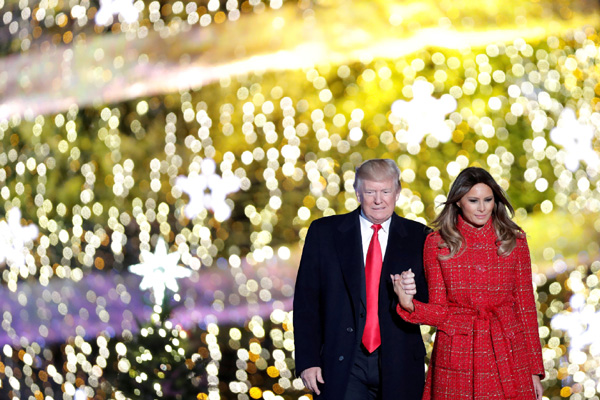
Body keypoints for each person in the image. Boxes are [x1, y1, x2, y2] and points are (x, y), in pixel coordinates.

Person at [392, 167, 545, 400]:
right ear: (458, 202)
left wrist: (535, 370)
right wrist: (410, 305)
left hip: (508, 353)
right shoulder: (437, 243)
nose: (482, 208)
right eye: (473, 200)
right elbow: (440, 311)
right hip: (457, 354)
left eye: (488, 200)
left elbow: (526, 308)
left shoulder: (514, 240)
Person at [293, 158, 430, 400]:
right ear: (357, 193)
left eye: (386, 191)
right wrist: (308, 360)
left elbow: (433, 302)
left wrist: (413, 294)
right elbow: (306, 302)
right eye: (370, 192)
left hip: (400, 363)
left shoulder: (420, 237)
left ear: (397, 192)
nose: (379, 200)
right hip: (342, 362)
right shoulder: (324, 233)